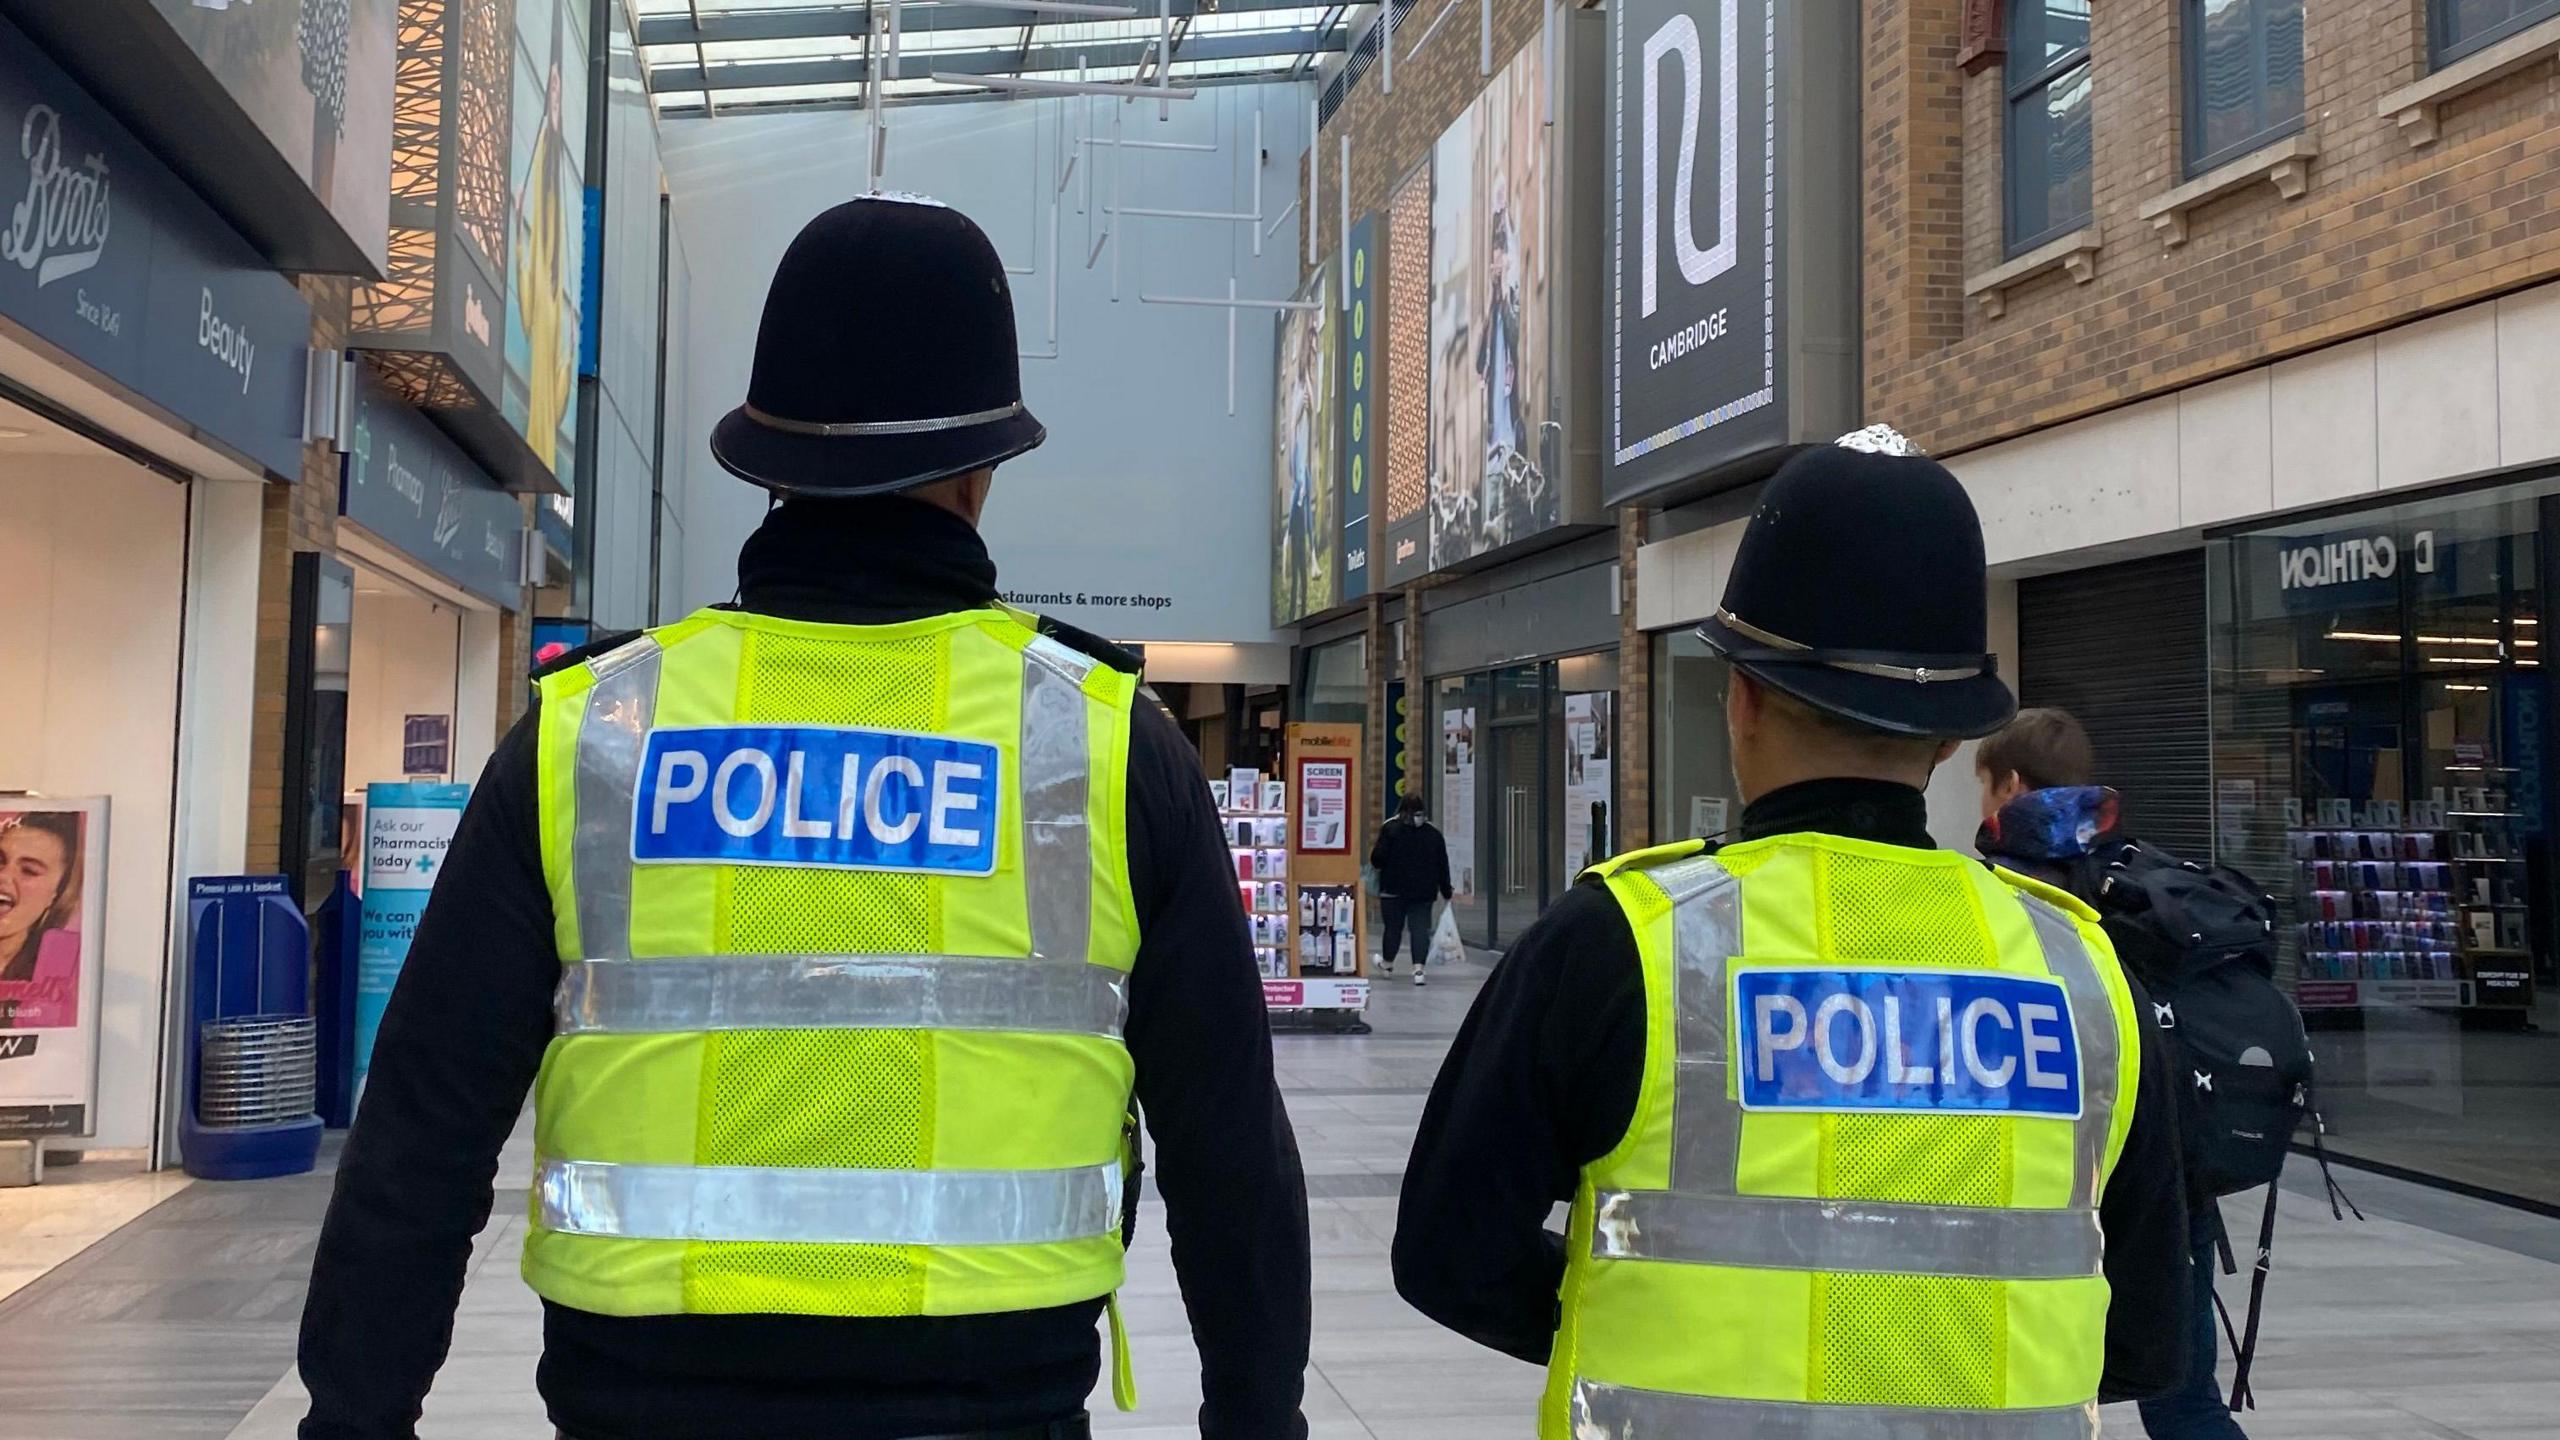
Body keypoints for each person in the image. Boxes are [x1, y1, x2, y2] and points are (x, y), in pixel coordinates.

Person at [297, 196, 1313, 1440]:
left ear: (770, 464)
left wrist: (353, 1420)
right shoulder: (1102, 747)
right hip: (992, 1410)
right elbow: (1232, 1165)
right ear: (980, 468)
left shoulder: (591, 738)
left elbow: (420, 1139)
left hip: (639, 1412)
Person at [1395, 430, 2191, 1437]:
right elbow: (2150, 1336)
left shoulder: (1621, 945)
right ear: (1950, 736)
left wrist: (1653, 1321)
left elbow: (1445, 1253)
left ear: (1741, 697)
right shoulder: (2082, 975)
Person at [1978, 708, 2246, 1440]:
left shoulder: (2010, 880)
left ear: (2008, 784)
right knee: (2184, 1397)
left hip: (2061, 1176)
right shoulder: (2137, 869)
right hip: (2177, 1166)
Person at [0, 811, 82, 1030]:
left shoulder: (69, 972)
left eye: (29, 870)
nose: (4, 876)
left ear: (56, 894)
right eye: (0, 860)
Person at [1369, 793, 1453, 986]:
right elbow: (1442, 865)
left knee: (1392, 929)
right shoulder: (1433, 833)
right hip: (1423, 892)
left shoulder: (1390, 828)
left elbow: (1377, 859)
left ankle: (1388, 965)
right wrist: (1446, 890)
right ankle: (1419, 970)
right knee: (1420, 930)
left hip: (1392, 890)